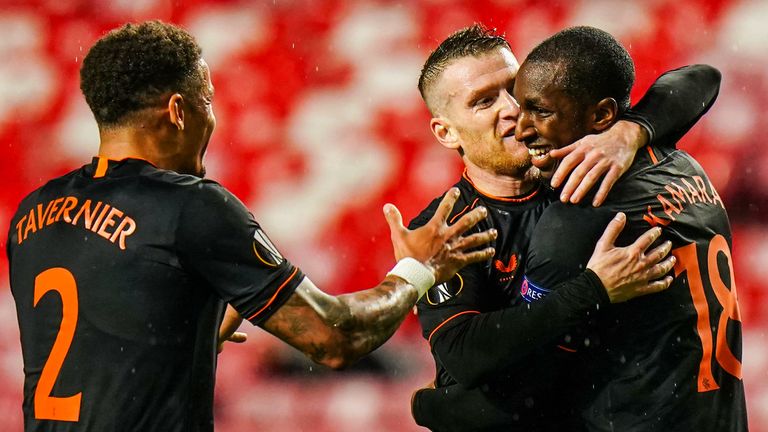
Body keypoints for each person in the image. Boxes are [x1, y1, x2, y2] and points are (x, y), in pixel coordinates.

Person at [5, 21, 670, 432]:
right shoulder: (190, 206)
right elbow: (334, 340)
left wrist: (192, 331)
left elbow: (98, 349)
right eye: (209, 99)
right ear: (179, 109)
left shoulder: (32, 217)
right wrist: (419, 270)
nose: (216, 117)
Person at [407, 25, 724, 431]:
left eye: (514, 88)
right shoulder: (443, 227)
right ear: (446, 131)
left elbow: (699, 77)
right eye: (485, 101)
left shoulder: (589, 177)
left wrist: (631, 130)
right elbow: (467, 354)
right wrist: (593, 291)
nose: (512, 109)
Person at [515, 26, 746, 430]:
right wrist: (632, 128)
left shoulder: (577, 220)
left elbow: (522, 375)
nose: (520, 129)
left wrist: (430, 404)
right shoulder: (677, 161)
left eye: (541, 111)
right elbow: (701, 76)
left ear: (603, 115)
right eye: (519, 109)